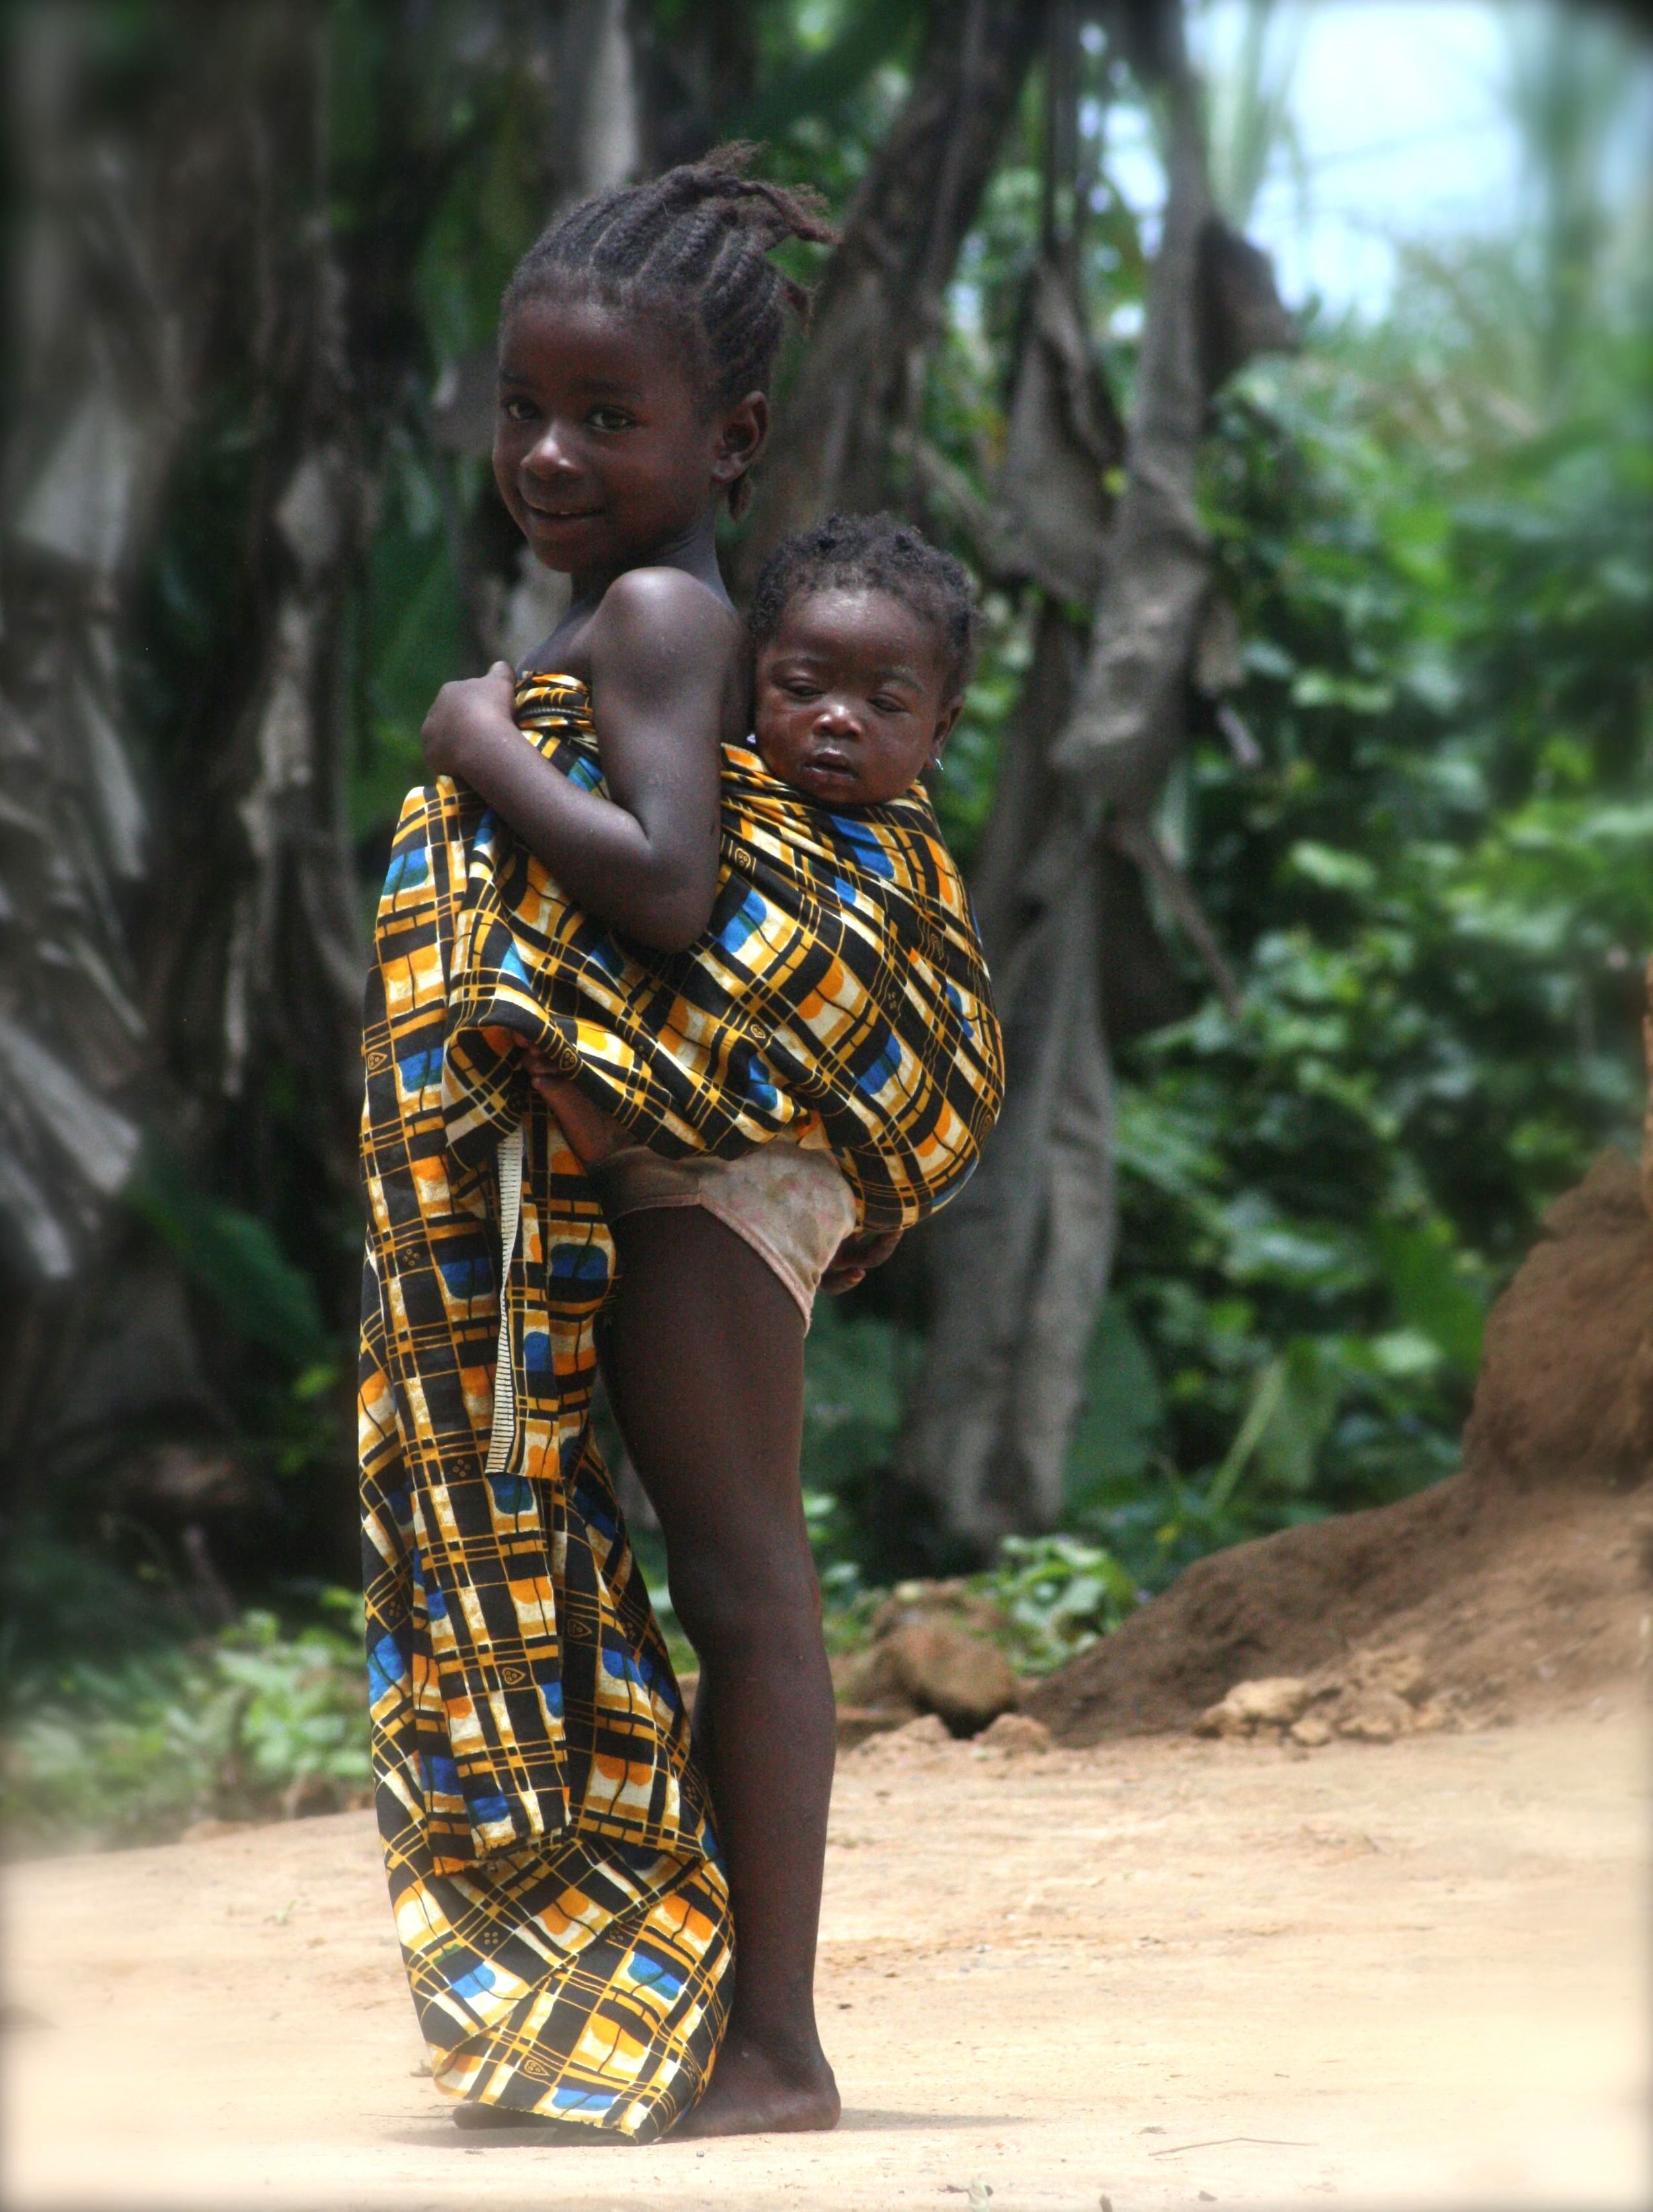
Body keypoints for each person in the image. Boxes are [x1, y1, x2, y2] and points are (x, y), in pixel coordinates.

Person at [358, 150, 1001, 2147]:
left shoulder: (647, 610)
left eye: (604, 416)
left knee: (739, 1579)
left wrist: (472, 743)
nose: (547, 449)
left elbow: (660, 888)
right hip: (671, 1161)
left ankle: (779, 2048)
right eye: (521, 407)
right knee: (713, 1572)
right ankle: (700, 2000)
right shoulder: (641, 606)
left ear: (725, 439)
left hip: (702, 1176)